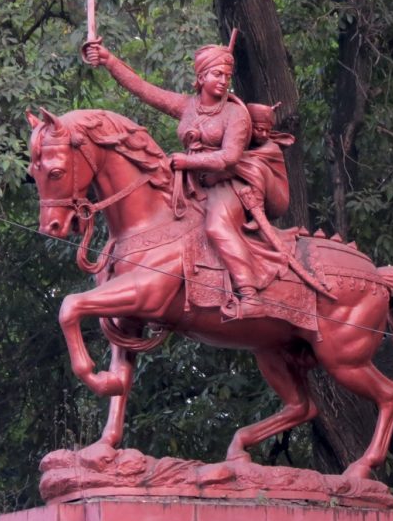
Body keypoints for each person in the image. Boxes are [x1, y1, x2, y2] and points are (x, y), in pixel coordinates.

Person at [82, 36, 284, 318]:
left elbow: (229, 157)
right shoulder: (187, 106)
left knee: (216, 226)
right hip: (192, 186)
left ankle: (249, 294)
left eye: (227, 75)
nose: (223, 81)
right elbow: (143, 88)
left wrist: (187, 160)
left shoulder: (235, 114)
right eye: (217, 74)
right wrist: (109, 60)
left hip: (230, 184)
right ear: (201, 77)